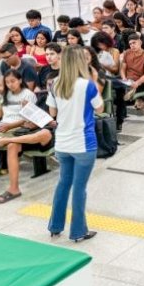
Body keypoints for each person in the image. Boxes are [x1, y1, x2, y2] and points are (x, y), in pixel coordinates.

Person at [46, 46, 104, 242]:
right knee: (79, 188)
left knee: (63, 183)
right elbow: (100, 107)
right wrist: (94, 81)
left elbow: (52, 113)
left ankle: (55, 226)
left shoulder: (54, 83)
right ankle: (79, 231)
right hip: (83, 144)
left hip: (62, 143)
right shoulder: (87, 85)